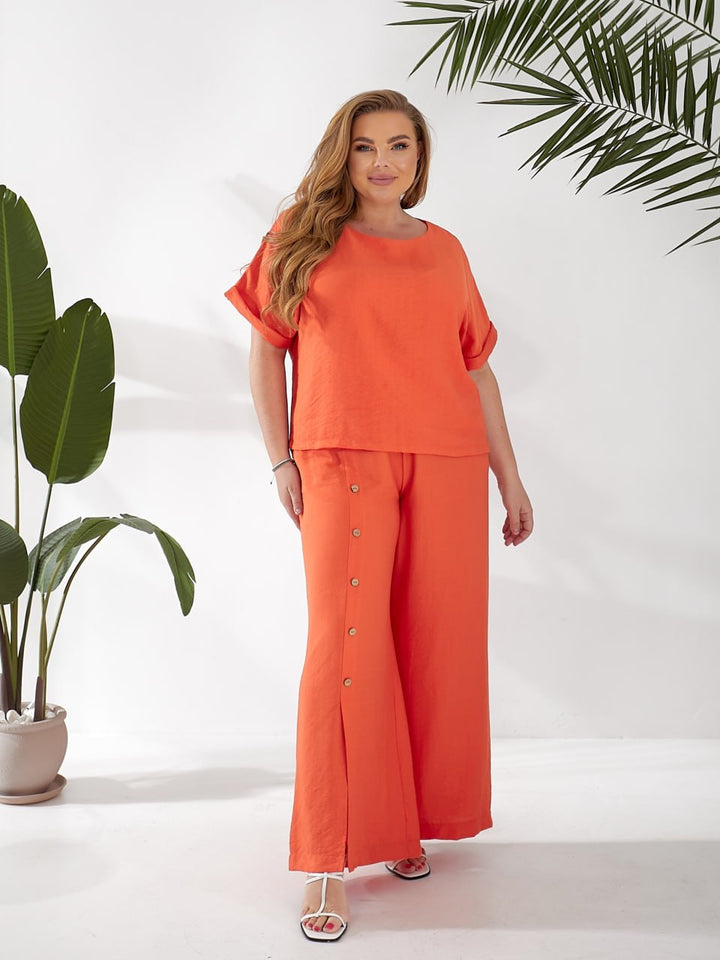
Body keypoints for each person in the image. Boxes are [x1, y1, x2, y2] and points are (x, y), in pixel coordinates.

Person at [224, 88, 533, 942]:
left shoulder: (446, 251)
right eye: (366, 146)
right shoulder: (300, 235)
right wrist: (281, 457)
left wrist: (510, 478)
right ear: (344, 154)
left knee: (433, 647)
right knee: (344, 649)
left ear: (420, 157)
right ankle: (325, 858)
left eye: (400, 145)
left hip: (446, 462)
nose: (384, 161)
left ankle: (402, 828)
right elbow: (266, 348)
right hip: (343, 457)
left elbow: (476, 370)